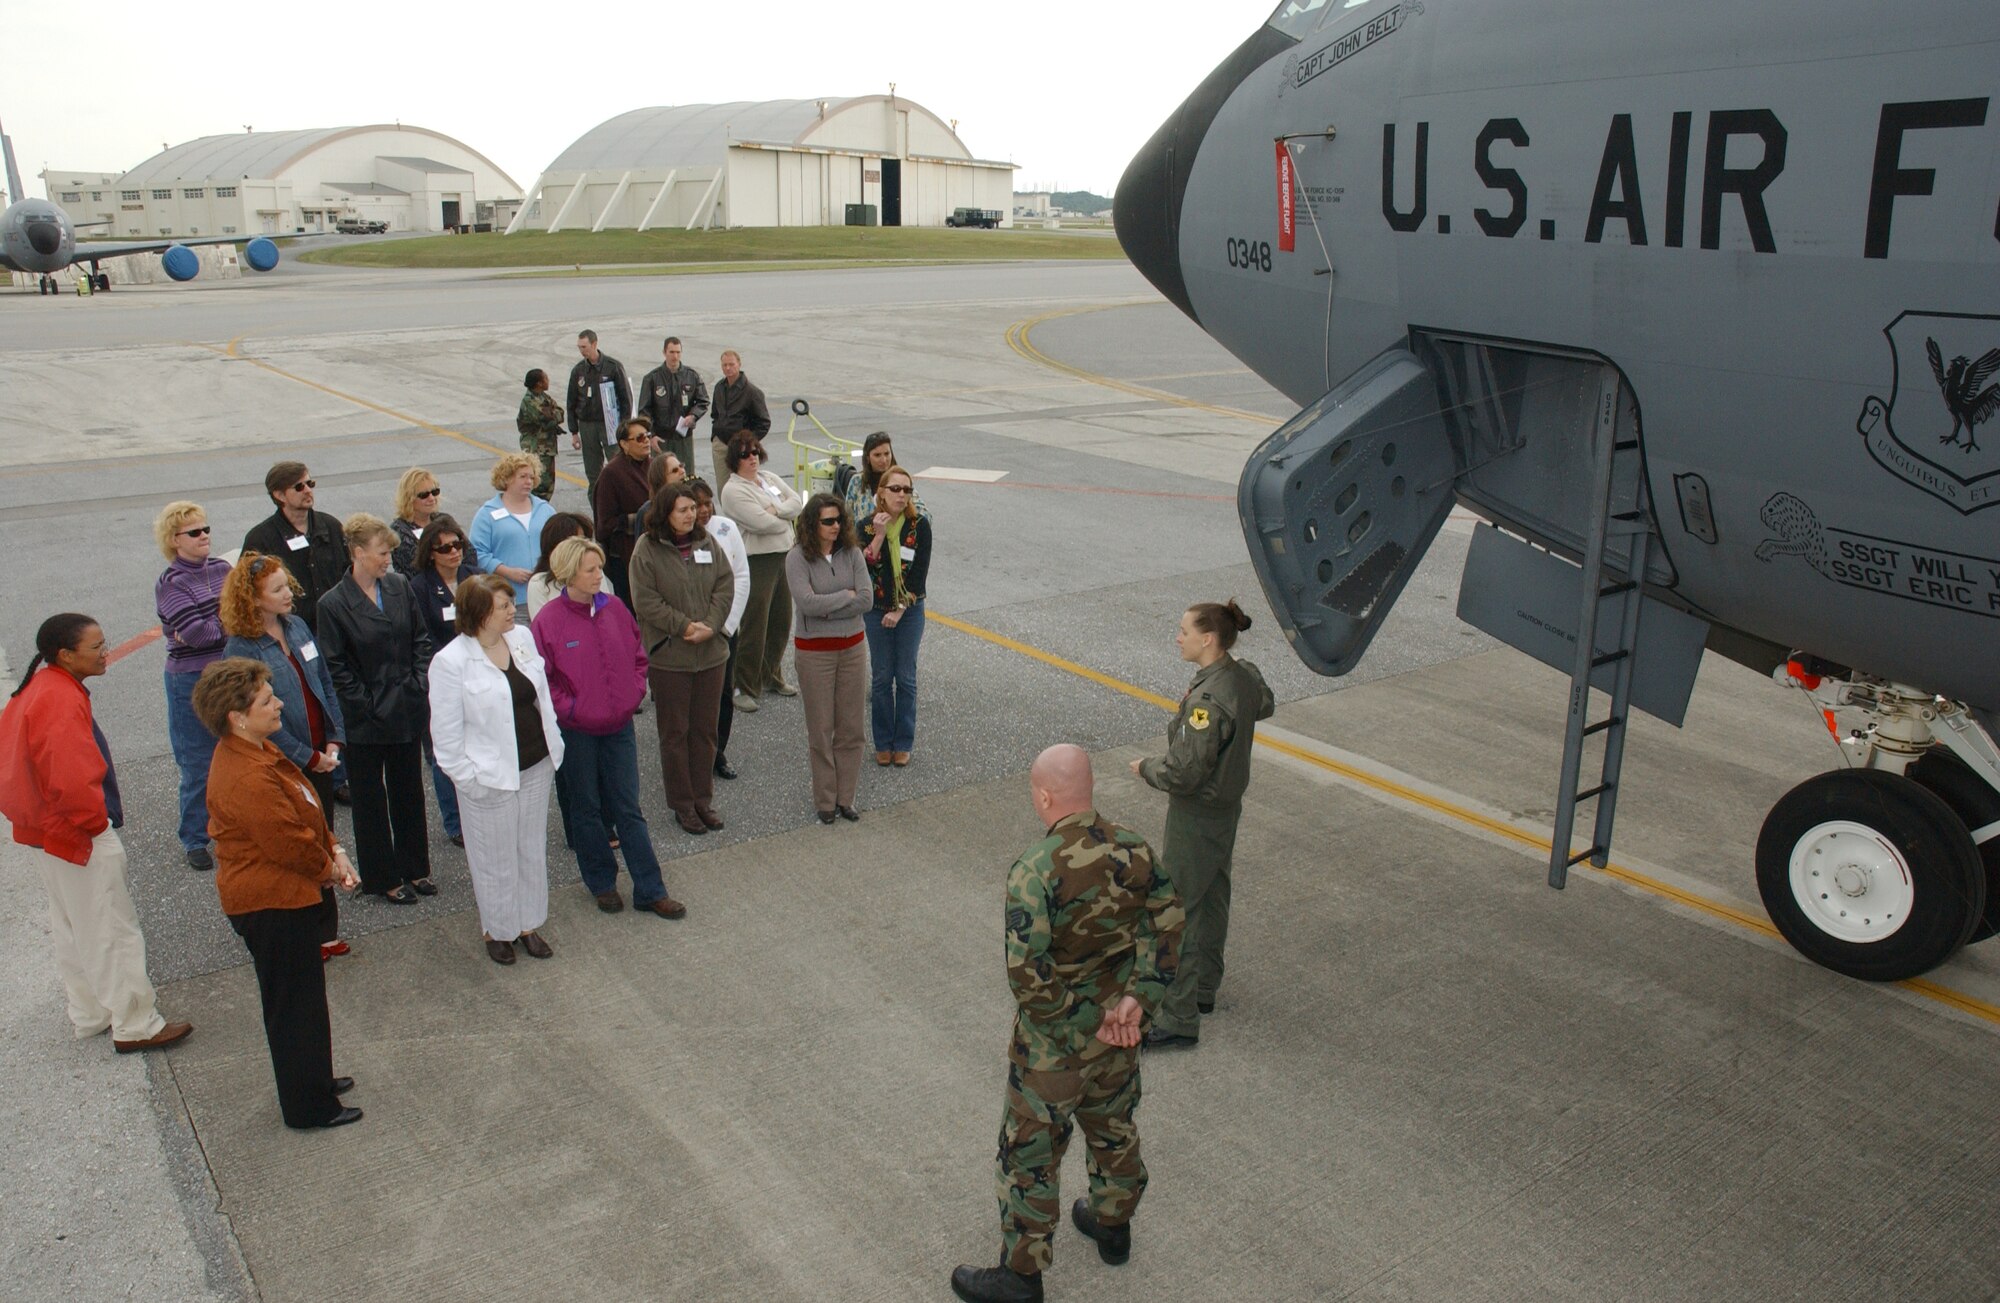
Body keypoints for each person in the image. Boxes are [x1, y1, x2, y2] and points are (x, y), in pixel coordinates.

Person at [949, 743, 1182, 1303]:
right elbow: (1168, 922)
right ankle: (1113, 1227)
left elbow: (1028, 975)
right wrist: (1137, 1001)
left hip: (1055, 1050)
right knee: (1114, 1130)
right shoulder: (1134, 846)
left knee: (1028, 1154)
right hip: (1120, 1037)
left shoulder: (1036, 868)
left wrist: (1088, 1024)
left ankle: (1021, 1277)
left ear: (1045, 796)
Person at [0, 614, 192, 1055]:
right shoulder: (61, 699)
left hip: (42, 832)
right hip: (74, 833)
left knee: (73, 926)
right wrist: (95, 825)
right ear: (66, 655)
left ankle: (91, 1013)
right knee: (111, 928)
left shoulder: (40, 687)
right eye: (97, 647)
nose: (105, 653)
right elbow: (70, 777)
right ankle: (136, 1023)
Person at [192, 658, 362, 1130]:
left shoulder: (256, 749)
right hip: (271, 904)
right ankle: (308, 1107)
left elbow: (303, 807)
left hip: (288, 897)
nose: (279, 702)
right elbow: (285, 839)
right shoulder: (246, 775)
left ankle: (315, 1080)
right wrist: (331, 867)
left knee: (305, 1000)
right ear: (237, 716)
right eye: (267, 699)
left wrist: (334, 846)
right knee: (293, 1007)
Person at [1128, 599, 1274, 1050]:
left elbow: (1184, 773)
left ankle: (1177, 1015)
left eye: (1184, 631)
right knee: (1212, 897)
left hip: (1197, 813)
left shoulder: (1207, 703)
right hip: (1227, 808)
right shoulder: (1241, 676)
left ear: (1207, 639)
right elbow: (1264, 704)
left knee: (1179, 910)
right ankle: (1205, 987)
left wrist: (1146, 767)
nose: (1178, 637)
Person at [531, 536, 684, 918]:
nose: (600, 574)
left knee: (628, 808)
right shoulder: (548, 622)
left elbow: (637, 655)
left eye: (599, 567)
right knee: (586, 808)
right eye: (591, 569)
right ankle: (601, 882)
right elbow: (543, 681)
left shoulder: (615, 608)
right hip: (577, 732)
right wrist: (574, 709)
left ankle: (650, 888)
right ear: (569, 574)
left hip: (618, 728)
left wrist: (633, 693)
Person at [220, 554, 351, 962]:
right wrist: (307, 757)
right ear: (253, 600)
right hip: (288, 759)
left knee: (322, 830)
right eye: (277, 590)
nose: (288, 595)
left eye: (287, 586)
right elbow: (261, 719)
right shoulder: (241, 648)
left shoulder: (297, 626)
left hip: (320, 753)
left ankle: (326, 931)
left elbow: (324, 680)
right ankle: (305, 930)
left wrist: (334, 739)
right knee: (297, 844)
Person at [429, 574, 564, 964]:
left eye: (510, 604)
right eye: (503, 606)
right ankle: (497, 929)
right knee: (493, 858)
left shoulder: (520, 638)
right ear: (478, 615)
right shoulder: (450, 663)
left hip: (535, 765)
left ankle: (527, 924)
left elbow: (540, 695)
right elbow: (446, 740)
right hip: (488, 780)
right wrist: (471, 783)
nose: (512, 611)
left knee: (529, 849)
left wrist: (554, 745)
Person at [317, 514, 433, 905]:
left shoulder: (398, 586)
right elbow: (336, 667)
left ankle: (416, 868)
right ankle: (383, 875)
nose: (388, 560)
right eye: (382, 553)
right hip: (366, 719)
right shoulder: (333, 604)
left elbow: (420, 639)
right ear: (358, 553)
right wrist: (367, 704)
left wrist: (418, 683)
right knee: (370, 800)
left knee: (409, 791)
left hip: (406, 707)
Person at [629, 484, 733, 839]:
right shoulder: (647, 549)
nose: (692, 515)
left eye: (693, 508)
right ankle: (682, 803)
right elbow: (646, 601)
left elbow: (724, 584)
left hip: (711, 653)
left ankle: (703, 798)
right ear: (665, 513)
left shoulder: (707, 543)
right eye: (683, 510)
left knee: (705, 731)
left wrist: (712, 625)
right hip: (671, 656)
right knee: (675, 733)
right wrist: (684, 625)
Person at [154, 500, 232, 869]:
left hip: (228, 673)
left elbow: (243, 612)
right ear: (174, 540)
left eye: (206, 529)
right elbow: (198, 634)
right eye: (195, 532)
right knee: (198, 762)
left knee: (238, 751)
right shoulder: (170, 582)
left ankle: (234, 825)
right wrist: (223, 625)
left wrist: (213, 625)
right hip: (190, 680)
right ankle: (195, 838)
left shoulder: (221, 568)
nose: (205, 536)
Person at [786, 493, 873, 824]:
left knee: (851, 727)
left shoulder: (852, 553)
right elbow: (806, 604)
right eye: (828, 521)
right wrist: (843, 597)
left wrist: (829, 605)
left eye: (839, 520)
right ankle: (825, 799)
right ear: (812, 524)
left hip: (852, 649)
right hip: (814, 654)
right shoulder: (797, 558)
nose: (836, 526)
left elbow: (865, 600)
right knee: (821, 729)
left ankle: (846, 797)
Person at [718, 435, 803, 710]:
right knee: (755, 622)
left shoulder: (768, 478)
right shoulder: (733, 490)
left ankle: (771, 673)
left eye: (755, 452)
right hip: (758, 560)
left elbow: (797, 503)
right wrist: (782, 515)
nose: (752, 458)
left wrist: (776, 510)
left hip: (783, 555)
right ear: (735, 460)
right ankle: (743, 683)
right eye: (745, 454)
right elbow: (761, 523)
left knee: (781, 620)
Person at [859, 466, 931, 767]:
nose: (902, 495)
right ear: (882, 493)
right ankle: (883, 741)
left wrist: (900, 609)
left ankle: (903, 741)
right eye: (896, 489)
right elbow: (863, 567)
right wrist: (877, 536)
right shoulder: (865, 526)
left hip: (909, 611)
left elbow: (918, 575)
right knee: (881, 678)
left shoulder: (918, 526)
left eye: (907, 490)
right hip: (876, 612)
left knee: (905, 677)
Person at [409, 517, 474, 847]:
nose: (454, 553)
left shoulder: (471, 578)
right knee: (443, 753)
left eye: (458, 545)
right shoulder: (419, 587)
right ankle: (454, 821)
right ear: (430, 553)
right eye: (445, 548)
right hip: (442, 676)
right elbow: (421, 637)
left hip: (476, 672)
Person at [689, 479, 750, 781]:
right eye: (696, 504)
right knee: (694, 697)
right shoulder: (679, 536)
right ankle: (694, 754)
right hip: (692, 631)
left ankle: (718, 752)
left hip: (723, 629)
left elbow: (740, 575)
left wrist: (726, 627)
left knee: (723, 693)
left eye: (707, 503)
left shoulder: (726, 527)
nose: (703, 510)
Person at [242, 461, 347, 631]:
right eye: (299, 487)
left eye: (310, 484)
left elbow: (350, 572)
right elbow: (247, 591)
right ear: (280, 496)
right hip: (292, 630)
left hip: (338, 625)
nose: (307, 490)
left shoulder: (331, 526)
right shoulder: (260, 539)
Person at [469, 453, 558, 607]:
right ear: (507, 478)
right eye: (523, 476)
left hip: (546, 595)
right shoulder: (487, 514)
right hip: (507, 597)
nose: (528, 481)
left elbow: (561, 545)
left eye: (531, 477)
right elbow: (477, 552)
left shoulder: (546, 510)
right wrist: (506, 571)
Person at [595, 418, 666, 604]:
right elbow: (604, 525)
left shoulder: (654, 466)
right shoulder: (611, 473)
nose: (646, 442)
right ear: (624, 444)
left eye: (648, 436)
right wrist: (643, 518)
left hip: (658, 551)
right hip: (627, 556)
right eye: (640, 438)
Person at [566, 329, 632, 499]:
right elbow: (571, 402)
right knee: (593, 472)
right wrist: (574, 431)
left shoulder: (613, 367)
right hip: (587, 426)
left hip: (610, 424)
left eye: (584, 346)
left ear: (594, 344)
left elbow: (626, 399)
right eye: (579, 347)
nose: (582, 351)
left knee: (618, 465)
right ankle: (598, 508)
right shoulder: (578, 371)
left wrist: (624, 428)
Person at [633, 336, 709, 475]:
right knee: (662, 478)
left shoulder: (692, 376)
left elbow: (703, 401)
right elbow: (644, 411)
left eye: (678, 352)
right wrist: (652, 435)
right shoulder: (652, 378)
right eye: (671, 352)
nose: (675, 356)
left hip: (683, 438)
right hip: (661, 439)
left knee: (686, 477)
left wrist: (693, 415)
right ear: (664, 352)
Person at [390, 467, 479, 575]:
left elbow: (470, 554)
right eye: (424, 495)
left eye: (434, 492)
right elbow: (418, 568)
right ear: (409, 498)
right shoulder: (399, 530)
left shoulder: (444, 519)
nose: (432, 498)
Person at [707, 349, 771, 485]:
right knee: (723, 486)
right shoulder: (719, 387)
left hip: (742, 449)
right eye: (725, 365)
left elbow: (764, 423)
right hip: (721, 445)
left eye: (731, 364)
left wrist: (747, 444)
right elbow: (715, 414)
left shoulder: (752, 392)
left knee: (746, 484)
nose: (728, 368)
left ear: (739, 364)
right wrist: (715, 436)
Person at [841, 431, 927, 524]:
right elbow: (847, 519)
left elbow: (924, 515)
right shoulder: (857, 482)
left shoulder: (901, 479)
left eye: (887, 454)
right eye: (877, 455)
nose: (884, 460)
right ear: (867, 458)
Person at [526, 511, 594, 618]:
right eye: (575, 544)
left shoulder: (594, 572)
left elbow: (606, 612)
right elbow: (542, 626)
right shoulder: (538, 583)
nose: (582, 548)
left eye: (584, 541)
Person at [516, 369, 566, 500]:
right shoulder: (530, 401)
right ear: (539, 383)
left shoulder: (543, 397)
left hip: (547, 448)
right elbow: (547, 418)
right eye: (545, 379)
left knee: (548, 485)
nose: (548, 381)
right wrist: (552, 414)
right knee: (539, 486)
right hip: (536, 448)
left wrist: (553, 415)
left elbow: (560, 412)